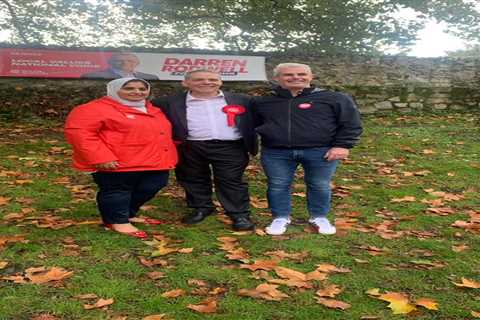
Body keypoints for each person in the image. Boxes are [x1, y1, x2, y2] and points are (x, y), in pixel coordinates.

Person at [252, 63, 362, 236]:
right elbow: (253, 124)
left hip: (320, 151)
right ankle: (280, 217)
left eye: (301, 74)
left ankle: (318, 217)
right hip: (276, 152)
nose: (296, 77)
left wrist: (342, 145)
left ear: (311, 77)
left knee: (319, 185)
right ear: (277, 78)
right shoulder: (264, 101)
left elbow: (351, 123)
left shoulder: (335, 98)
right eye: (288, 75)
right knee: (278, 185)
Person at [64, 77, 177, 239]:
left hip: (155, 160)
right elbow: (80, 134)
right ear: (114, 89)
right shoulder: (93, 109)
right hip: (116, 162)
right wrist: (100, 157)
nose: (137, 92)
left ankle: (127, 213)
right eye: (129, 88)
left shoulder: (153, 109)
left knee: (154, 185)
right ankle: (117, 220)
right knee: (117, 191)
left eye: (142, 89)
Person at [152, 69, 257, 231]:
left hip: (230, 146)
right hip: (189, 146)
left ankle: (239, 213)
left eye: (212, 79)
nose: (207, 82)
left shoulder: (243, 100)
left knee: (231, 180)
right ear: (185, 83)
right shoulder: (167, 102)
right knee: (193, 178)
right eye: (199, 79)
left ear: (220, 82)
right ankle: (202, 207)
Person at [81, 52, 159, 80]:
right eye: (119, 61)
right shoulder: (92, 76)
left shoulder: (151, 77)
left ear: (137, 63)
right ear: (110, 63)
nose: (125, 63)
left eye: (130, 61)